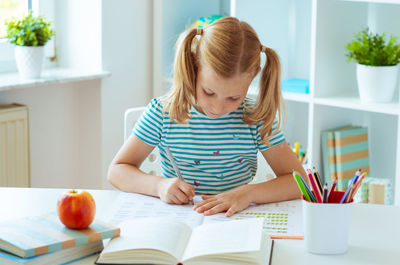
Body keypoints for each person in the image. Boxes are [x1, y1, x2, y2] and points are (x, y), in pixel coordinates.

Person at [108, 16, 307, 217]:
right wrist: (159, 186)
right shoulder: (163, 113)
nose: (218, 107)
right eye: (209, 92)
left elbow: (300, 181)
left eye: (234, 97)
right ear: (194, 65)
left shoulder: (255, 117)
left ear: (253, 76)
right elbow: (117, 171)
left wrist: (248, 193)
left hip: (235, 221)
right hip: (181, 219)